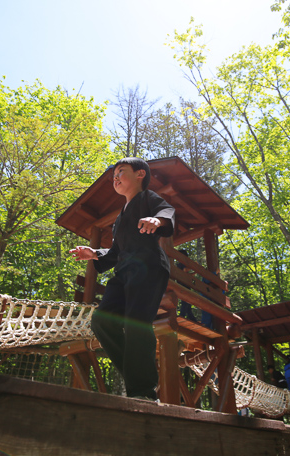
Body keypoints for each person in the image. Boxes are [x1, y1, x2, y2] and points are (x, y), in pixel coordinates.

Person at [70, 158, 175, 401]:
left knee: (136, 322)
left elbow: (167, 211)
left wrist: (157, 220)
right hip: (123, 272)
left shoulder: (149, 198)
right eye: (113, 175)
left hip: (148, 267)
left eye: (121, 172)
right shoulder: (119, 218)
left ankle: (144, 393)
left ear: (140, 174)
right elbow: (116, 252)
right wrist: (94, 253)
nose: (115, 178)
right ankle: (137, 375)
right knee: (102, 323)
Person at [175, 249, 197, 322]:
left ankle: (192, 319)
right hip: (183, 285)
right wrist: (194, 266)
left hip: (184, 284)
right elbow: (185, 270)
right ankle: (182, 317)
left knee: (187, 303)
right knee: (185, 302)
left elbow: (186, 274)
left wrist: (194, 272)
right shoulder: (181, 263)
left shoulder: (180, 263)